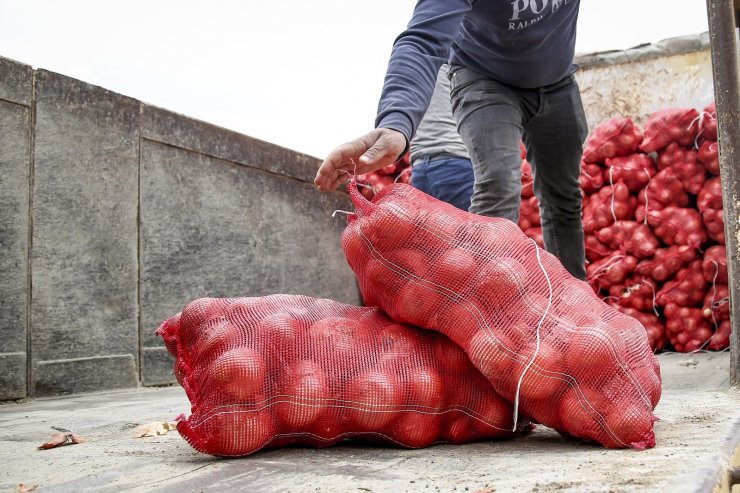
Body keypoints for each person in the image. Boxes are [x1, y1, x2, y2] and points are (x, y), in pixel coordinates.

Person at [314, 2, 588, 280]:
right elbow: (423, 42)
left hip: (558, 82)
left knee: (564, 198)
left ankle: (576, 299)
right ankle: (488, 298)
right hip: (483, 78)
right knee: (498, 185)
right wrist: (396, 123)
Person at [410, 63, 474, 212]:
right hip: (456, 165)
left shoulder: (418, 71)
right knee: (473, 234)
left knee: (433, 234)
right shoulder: (458, 68)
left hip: (420, 171)